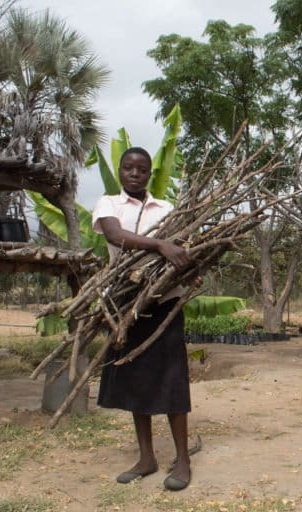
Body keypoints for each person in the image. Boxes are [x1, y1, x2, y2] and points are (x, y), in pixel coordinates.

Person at [92, 147, 193, 492]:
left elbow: (184, 248)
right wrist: (161, 246)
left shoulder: (167, 209)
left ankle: (182, 459)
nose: (134, 173)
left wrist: (184, 262)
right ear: (120, 171)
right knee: (137, 379)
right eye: (128, 167)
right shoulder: (109, 203)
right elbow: (115, 236)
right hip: (127, 305)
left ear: (150, 174)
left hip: (166, 303)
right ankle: (146, 457)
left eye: (142, 169)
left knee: (173, 380)